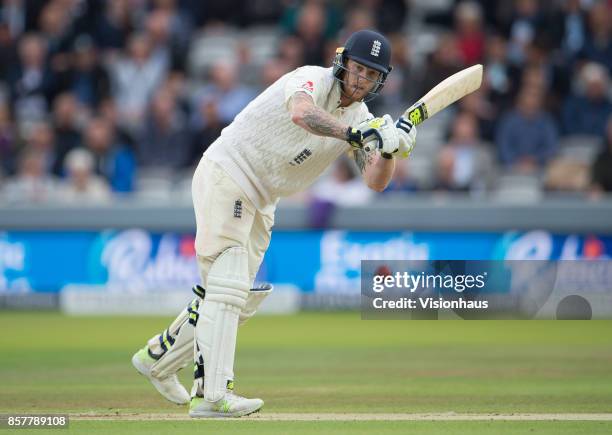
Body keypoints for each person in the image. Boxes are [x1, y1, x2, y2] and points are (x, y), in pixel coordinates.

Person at [130, 30, 417, 418]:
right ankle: (212, 397)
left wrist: (389, 149)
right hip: (229, 172)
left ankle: (158, 359)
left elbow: (375, 181)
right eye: (358, 68)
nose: (362, 79)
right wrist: (354, 133)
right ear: (343, 62)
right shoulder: (311, 79)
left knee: (236, 298)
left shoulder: (362, 118)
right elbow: (302, 113)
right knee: (228, 286)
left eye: (371, 74)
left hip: (264, 198)